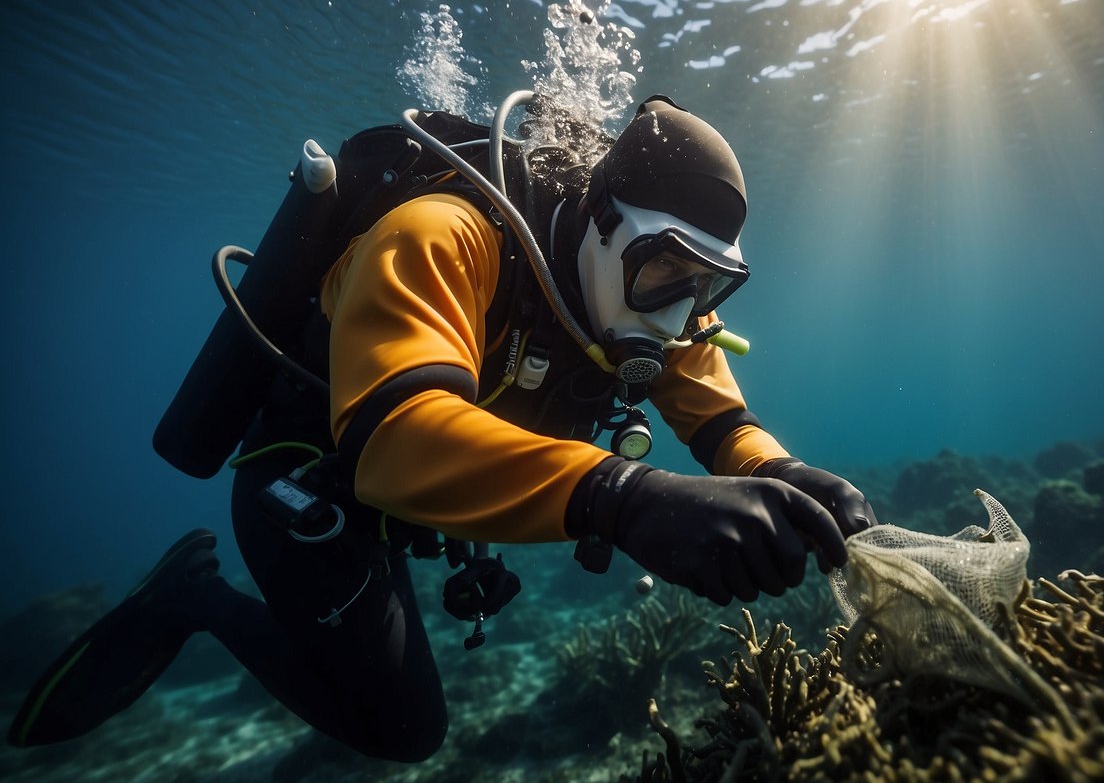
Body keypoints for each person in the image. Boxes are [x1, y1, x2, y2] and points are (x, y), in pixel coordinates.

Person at [8, 95, 877, 761]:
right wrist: (624, 497)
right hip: (310, 488)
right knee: (402, 729)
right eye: (666, 273)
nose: (680, 313)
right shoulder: (441, 233)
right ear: (601, 222)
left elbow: (716, 409)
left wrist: (781, 469)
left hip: (421, 502)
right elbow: (394, 437)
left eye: (709, 288)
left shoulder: (645, 299)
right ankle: (191, 595)